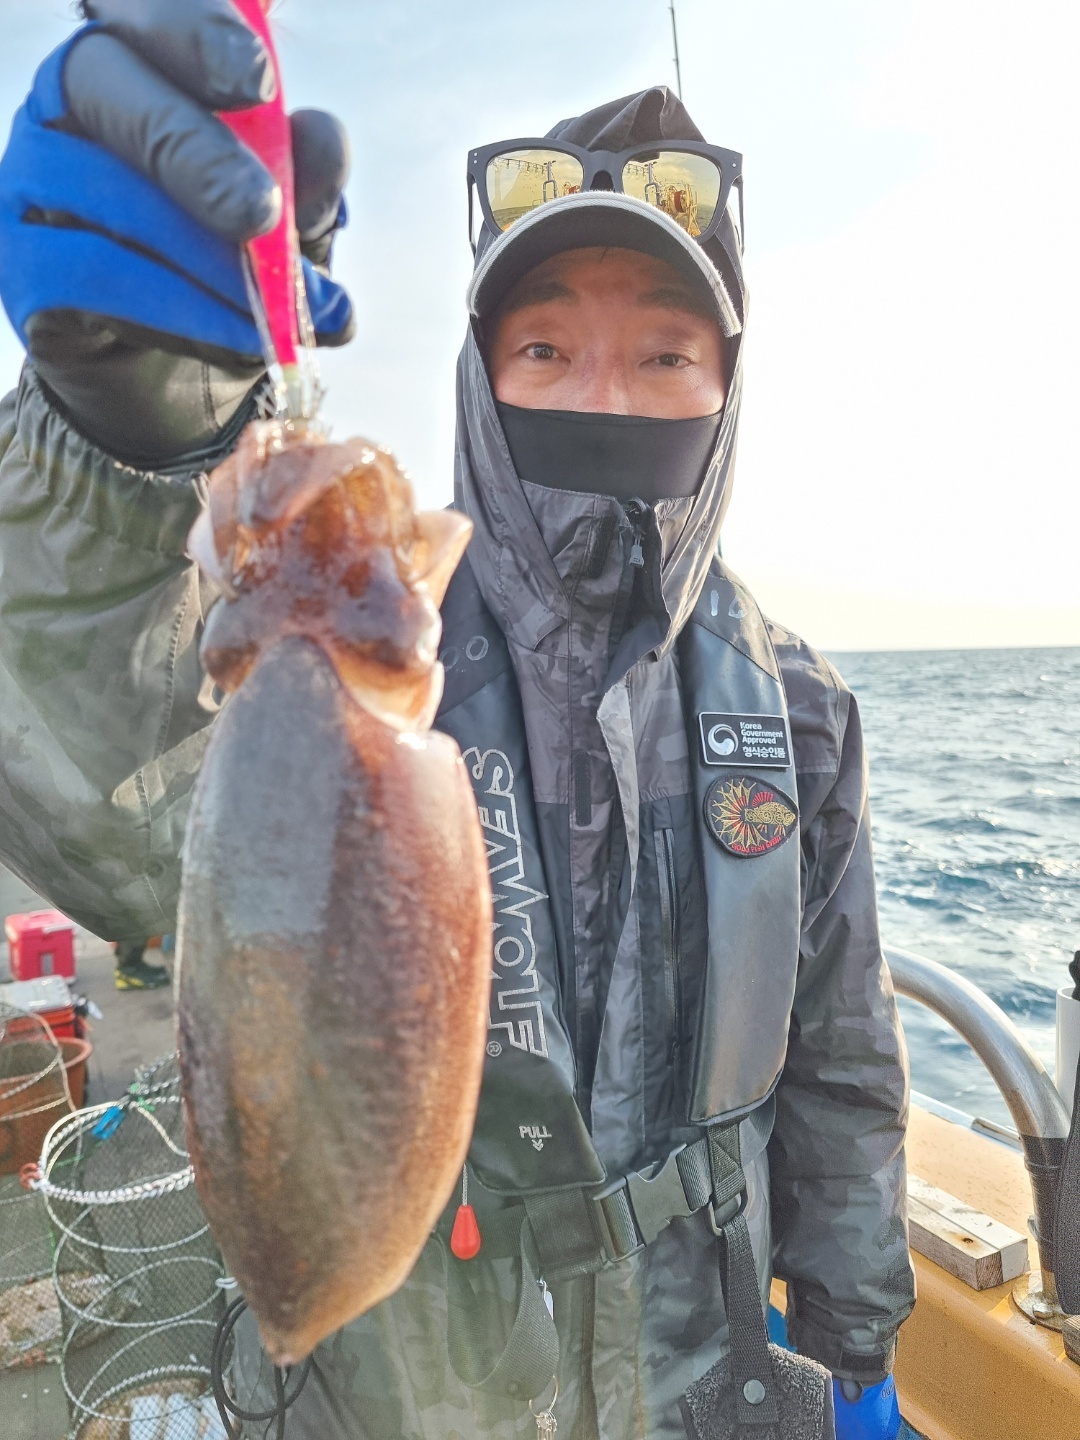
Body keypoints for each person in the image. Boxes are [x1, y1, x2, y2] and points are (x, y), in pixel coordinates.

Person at [0, 4, 915, 1437]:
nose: (603, 395)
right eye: (543, 347)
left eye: (665, 356)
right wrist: (123, 431)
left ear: (727, 394)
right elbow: (117, 793)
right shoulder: (353, 652)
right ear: (479, 382)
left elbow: (842, 1055)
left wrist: (856, 1341)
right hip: (400, 1387)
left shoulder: (796, 706)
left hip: (704, 1384)